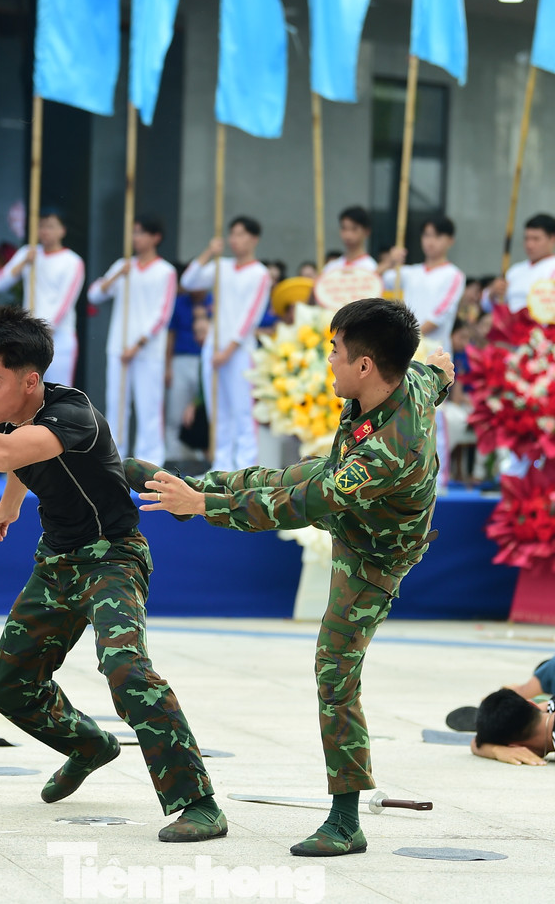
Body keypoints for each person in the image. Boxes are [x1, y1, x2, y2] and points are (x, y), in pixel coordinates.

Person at [0, 305, 228, 843]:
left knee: (126, 669)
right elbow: (17, 459)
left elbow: (6, 450)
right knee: (8, 687)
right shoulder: (13, 413)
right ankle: (87, 745)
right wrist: (10, 505)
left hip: (112, 559)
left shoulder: (72, 414)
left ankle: (199, 802)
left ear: (31, 381)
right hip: (57, 562)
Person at [131, 298, 454, 857]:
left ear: (365, 368)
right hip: (352, 494)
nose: (328, 362)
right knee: (265, 475)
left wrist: (209, 507)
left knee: (335, 668)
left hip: (375, 552)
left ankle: (347, 820)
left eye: (335, 352)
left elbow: (295, 508)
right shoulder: (415, 379)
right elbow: (442, 367)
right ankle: (180, 491)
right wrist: (444, 363)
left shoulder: (383, 453)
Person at [179, 217, 272, 472]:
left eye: (241, 234)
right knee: (217, 411)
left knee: (243, 409)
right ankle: (221, 465)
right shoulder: (222, 266)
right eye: (232, 234)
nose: (235, 240)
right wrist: (210, 251)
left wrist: (229, 349)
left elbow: (251, 316)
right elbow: (188, 281)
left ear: (254, 239)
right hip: (214, 346)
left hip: (240, 351)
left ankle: (245, 467)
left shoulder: (260, 273)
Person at [86, 215, 177, 466]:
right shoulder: (123, 266)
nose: (135, 238)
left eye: (140, 233)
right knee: (116, 404)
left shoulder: (165, 271)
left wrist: (138, 344)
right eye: (133, 233)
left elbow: (163, 314)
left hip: (147, 350)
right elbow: (94, 294)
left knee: (149, 405)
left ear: (155, 237)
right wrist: (117, 277)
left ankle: (151, 460)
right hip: (118, 347)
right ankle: (115, 456)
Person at [0, 210, 84, 386]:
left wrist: (44, 330)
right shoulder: (29, 253)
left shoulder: (72, 261)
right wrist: (23, 263)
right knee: (30, 390)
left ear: (62, 230)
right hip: (30, 336)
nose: (45, 231)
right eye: (41, 226)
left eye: (50, 226)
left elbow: (65, 302)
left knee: (57, 391)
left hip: (58, 337)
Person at [377, 215, 464, 353]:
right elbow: (375, 280)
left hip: (434, 352)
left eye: (437, 236)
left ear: (450, 240)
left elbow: (440, 314)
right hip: (407, 349)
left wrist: (409, 336)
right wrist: (390, 261)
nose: (430, 241)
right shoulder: (410, 272)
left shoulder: (454, 275)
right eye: (426, 235)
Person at [491, 213, 555, 313]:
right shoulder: (515, 270)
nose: (529, 245)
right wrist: (493, 293)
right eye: (526, 238)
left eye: (536, 239)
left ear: (553, 239)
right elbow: (495, 306)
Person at [164, 291, 207, 465]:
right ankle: (174, 455)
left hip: (206, 357)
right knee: (176, 410)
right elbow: (171, 335)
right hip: (180, 358)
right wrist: (168, 366)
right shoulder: (179, 303)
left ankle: (203, 454)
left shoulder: (214, 299)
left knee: (203, 411)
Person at [322, 207, 377, 274]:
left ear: (367, 231)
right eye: (344, 228)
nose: (348, 235)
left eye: (354, 229)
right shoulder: (331, 268)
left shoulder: (372, 267)